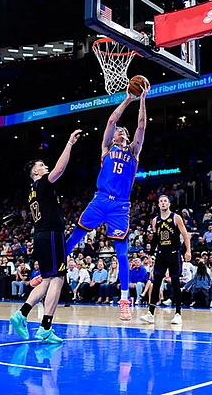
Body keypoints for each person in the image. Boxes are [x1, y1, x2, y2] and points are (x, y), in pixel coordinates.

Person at [65, 80, 151, 321]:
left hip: (120, 206)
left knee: (122, 254)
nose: (120, 131)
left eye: (123, 131)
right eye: (118, 131)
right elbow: (112, 121)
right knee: (74, 238)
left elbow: (142, 125)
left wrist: (142, 99)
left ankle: (125, 299)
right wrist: (128, 99)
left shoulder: (133, 151)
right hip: (100, 200)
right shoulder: (106, 148)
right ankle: (50, 271)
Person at [10, 129, 82, 344]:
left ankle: (22, 314)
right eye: (40, 165)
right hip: (50, 234)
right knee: (58, 279)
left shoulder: (32, 190)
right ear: (34, 172)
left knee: (49, 278)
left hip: (42, 234)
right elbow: (60, 168)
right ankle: (45, 327)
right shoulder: (42, 183)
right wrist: (69, 143)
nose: (44, 166)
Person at [140, 195, 191, 325]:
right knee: (155, 283)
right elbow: (156, 239)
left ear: (169, 204)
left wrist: (188, 251)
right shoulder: (155, 220)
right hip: (161, 254)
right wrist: (150, 254)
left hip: (174, 254)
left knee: (175, 283)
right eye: (161, 201)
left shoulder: (176, 217)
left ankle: (178, 313)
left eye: (165, 201)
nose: (163, 203)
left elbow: (185, 236)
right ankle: (151, 313)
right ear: (158, 205)